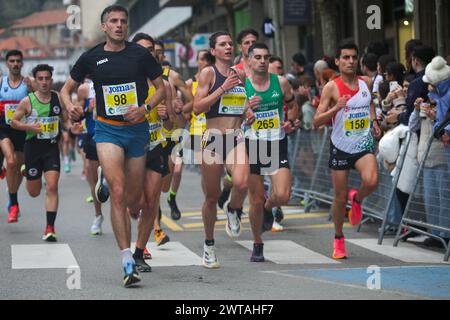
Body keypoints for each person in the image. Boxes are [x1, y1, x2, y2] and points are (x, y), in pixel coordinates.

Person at [60, 5, 166, 288]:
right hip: (108, 130)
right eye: (113, 21)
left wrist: (144, 109)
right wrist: (70, 106)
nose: (119, 25)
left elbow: (161, 88)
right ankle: (127, 261)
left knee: (133, 201)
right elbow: (65, 89)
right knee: (118, 194)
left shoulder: (140, 54)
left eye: (123, 21)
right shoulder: (92, 57)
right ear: (105, 26)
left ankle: (109, 176)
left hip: (137, 131)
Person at [313, 42, 381, 259]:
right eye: (345, 58)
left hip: (362, 144)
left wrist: (374, 121)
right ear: (337, 61)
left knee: (371, 181)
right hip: (340, 147)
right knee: (340, 198)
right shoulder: (331, 87)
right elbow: (316, 121)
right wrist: (336, 108)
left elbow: (369, 103)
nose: (350, 61)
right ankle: (339, 238)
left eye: (353, 57)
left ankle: (358, 199)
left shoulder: (366, 82)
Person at [193, 31, 249, 268]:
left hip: (236, 136)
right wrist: (223, 88)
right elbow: (197, 108)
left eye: (229, 43)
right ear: (214, 51)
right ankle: (209, 245)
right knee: (211, 195)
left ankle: (233, 209)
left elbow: (240, 105)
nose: (228, 47)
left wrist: (249, 111)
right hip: (214, 139)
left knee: (242, 182)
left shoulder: (241, 73)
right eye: (222, 44)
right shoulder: (208, 73)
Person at [244, 43, 298, 261]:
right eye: (257, 57)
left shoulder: (281, 82)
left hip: (276, 143)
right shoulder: (242, 86)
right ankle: (257, 243)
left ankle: (269, 207)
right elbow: (230, 116)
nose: (262, 61)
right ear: (248, 60)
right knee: (254, 200)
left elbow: (292, 105)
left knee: (283, 195)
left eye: (265, 57)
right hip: (252, 145)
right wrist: (246, 109)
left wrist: (291, 121)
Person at [128, 32, 175, 271]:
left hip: (155, 146)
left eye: (150, 49)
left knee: (150, 203)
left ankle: (138, 251)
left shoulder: (163, 85)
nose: (147, 53)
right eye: (141, 49)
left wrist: (168, 116)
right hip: (130, 149)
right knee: (132, 204)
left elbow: (171, 126)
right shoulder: (125, 81)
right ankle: (107, 175)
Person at [11, 64, 66, 242]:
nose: (44, 82)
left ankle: (50, 228)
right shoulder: (28, 101)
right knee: (34, 192)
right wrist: (28, 127)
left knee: (52, 187)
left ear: (51, 79)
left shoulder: (58, 99)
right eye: (40, 79)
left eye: (47, 78)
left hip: (50, 148)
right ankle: (27, 170)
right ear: (35, 80)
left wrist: (74, 127)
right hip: (32, 149)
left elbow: (64, 122)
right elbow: (13, 121)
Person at [154, 40, 191, 222]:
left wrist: (180, 108)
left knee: (171, 177)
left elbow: (192, 102)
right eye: (153, 51)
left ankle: (171, 198)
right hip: (152, 134)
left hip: (173, 132)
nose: (156, 55)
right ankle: (156, 214)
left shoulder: (173, 77)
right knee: (154, 178)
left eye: (159, 52)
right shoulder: (139, 76)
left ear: (163, 55)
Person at [0, 50, 32, 223]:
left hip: (21, 129)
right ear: (7, 64)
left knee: (19, 168)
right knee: (11, 161)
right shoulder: (1, 82)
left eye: (18, 61)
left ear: (22, 63)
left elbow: (38, 101)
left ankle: (11, 191)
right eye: (11, 61)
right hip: (4, 127)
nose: (15, 64)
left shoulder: (28, 83)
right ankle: (14, 204)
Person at [71, 77, 104, 235]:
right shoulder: (85, 89)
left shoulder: (119, 82)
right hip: (93, 137)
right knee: (95, 182)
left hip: (115, 136)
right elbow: (77, 116)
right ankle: (98, 216)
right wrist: (86, 110)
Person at [388, 46, 435, 127]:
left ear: (415, 61)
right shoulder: (439, 78)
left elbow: (410, 116)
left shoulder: (416, 83)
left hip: (422, 130)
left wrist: (398, 116)